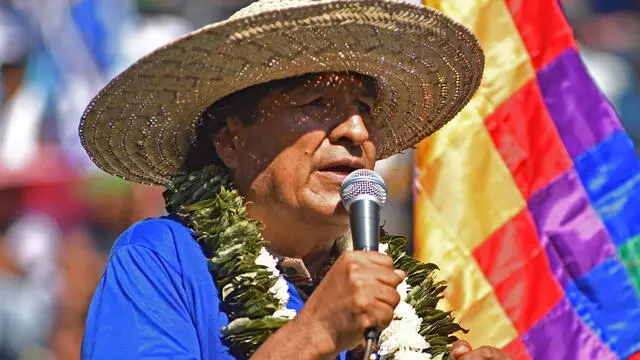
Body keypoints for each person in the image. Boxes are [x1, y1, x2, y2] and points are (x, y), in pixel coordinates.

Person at [79, 0, 511, 359]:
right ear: (231, 141)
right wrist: (317, 332)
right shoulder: (160, 258)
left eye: (364, 107)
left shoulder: (392, 289)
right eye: (317, 102)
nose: (357, 132)